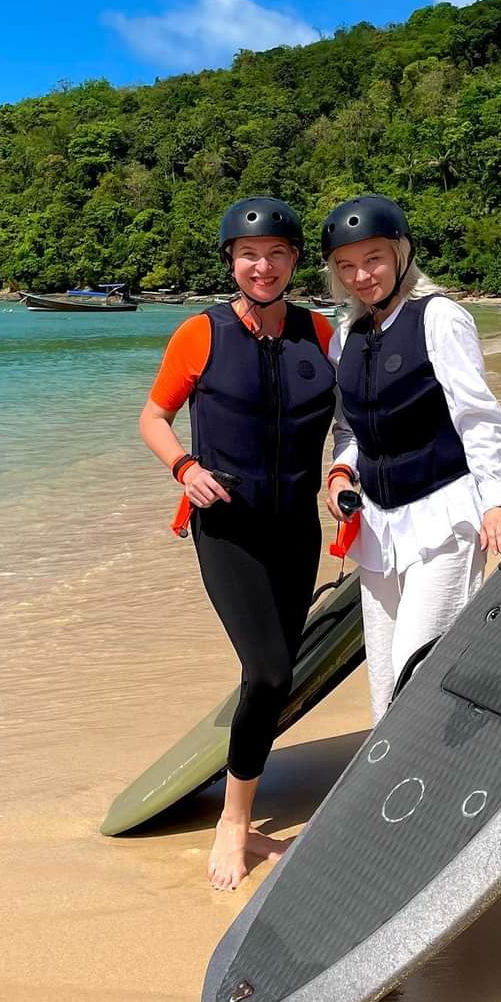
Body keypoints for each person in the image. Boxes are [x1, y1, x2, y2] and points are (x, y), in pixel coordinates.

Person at [138, 197, 336, 891]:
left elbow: (355, 417)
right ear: (231, 261)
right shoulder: (201, 333)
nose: (263, 266)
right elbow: (154, 416)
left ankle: (244, 790)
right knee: (271, 671)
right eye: (250, 254)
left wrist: (345, 476)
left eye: (277, 253)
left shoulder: (320, 332)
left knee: (272, 675)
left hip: (297, 530)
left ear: (294, 261)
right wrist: (183, 468)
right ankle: (234, 822)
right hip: (228, 528)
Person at [321, 195, 501, 722]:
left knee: (418, 662)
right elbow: (351, 429)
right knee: (385, 676)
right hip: (377, 527)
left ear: (400, 254)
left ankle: (441, 760)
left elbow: (477, 415)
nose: (361, 276)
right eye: (347, 266)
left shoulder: (439, 318)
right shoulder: (345, 338)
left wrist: (497, 501)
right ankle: (389, 767)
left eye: (373, 259)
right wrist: (339, 474)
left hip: (443, 514)